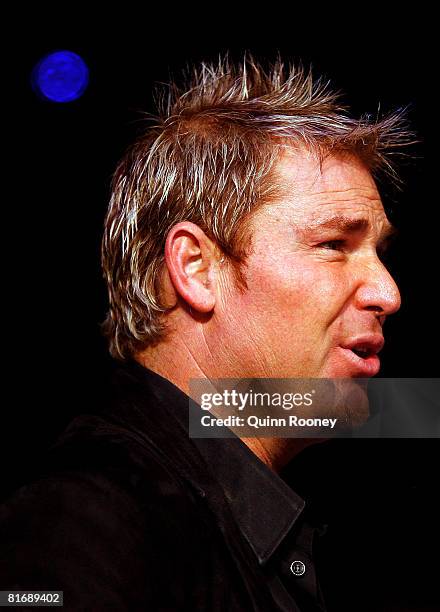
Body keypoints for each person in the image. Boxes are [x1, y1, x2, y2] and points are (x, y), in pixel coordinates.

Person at [0, 52, 414, 611]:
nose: (388, 293)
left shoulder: (223, 519)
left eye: (378, 252)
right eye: (334, 245)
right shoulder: (81, 521)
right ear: (195, 268)